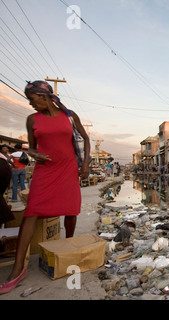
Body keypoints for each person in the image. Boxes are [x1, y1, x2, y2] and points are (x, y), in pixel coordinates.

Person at [0, 80, 90, 295]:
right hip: (45, 171)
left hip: (68, 169)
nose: (31, 104)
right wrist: (34, 154)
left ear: (45, 96)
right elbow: (30, 147)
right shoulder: (32, 120)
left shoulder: (69, 116)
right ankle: (17, 269)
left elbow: (86, 139)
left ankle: (67, 249)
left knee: (70, 210)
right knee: (32, 212)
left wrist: (85, 164)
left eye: (32, 99)